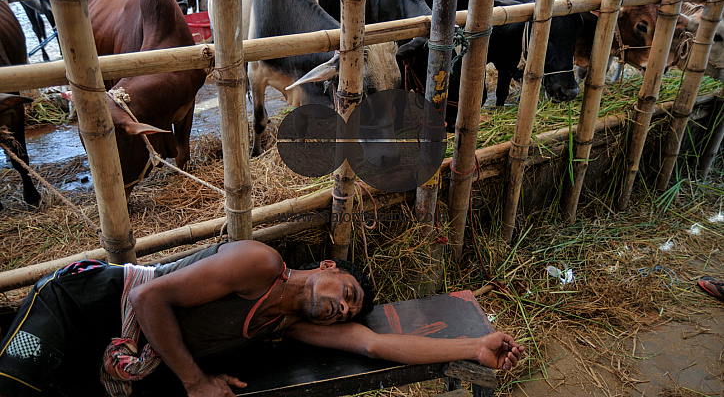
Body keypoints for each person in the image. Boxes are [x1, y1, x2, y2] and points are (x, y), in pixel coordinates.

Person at [0, 240, 524, 396]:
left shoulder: (285, 323)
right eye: (345, 290)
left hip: (109, 352)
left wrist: (470, 348)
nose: (343, 306)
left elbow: (375, 346)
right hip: (78, 304)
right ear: (323, 267)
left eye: (348, 308)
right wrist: (196, 380)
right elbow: (149, 300)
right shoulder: (261, 265)